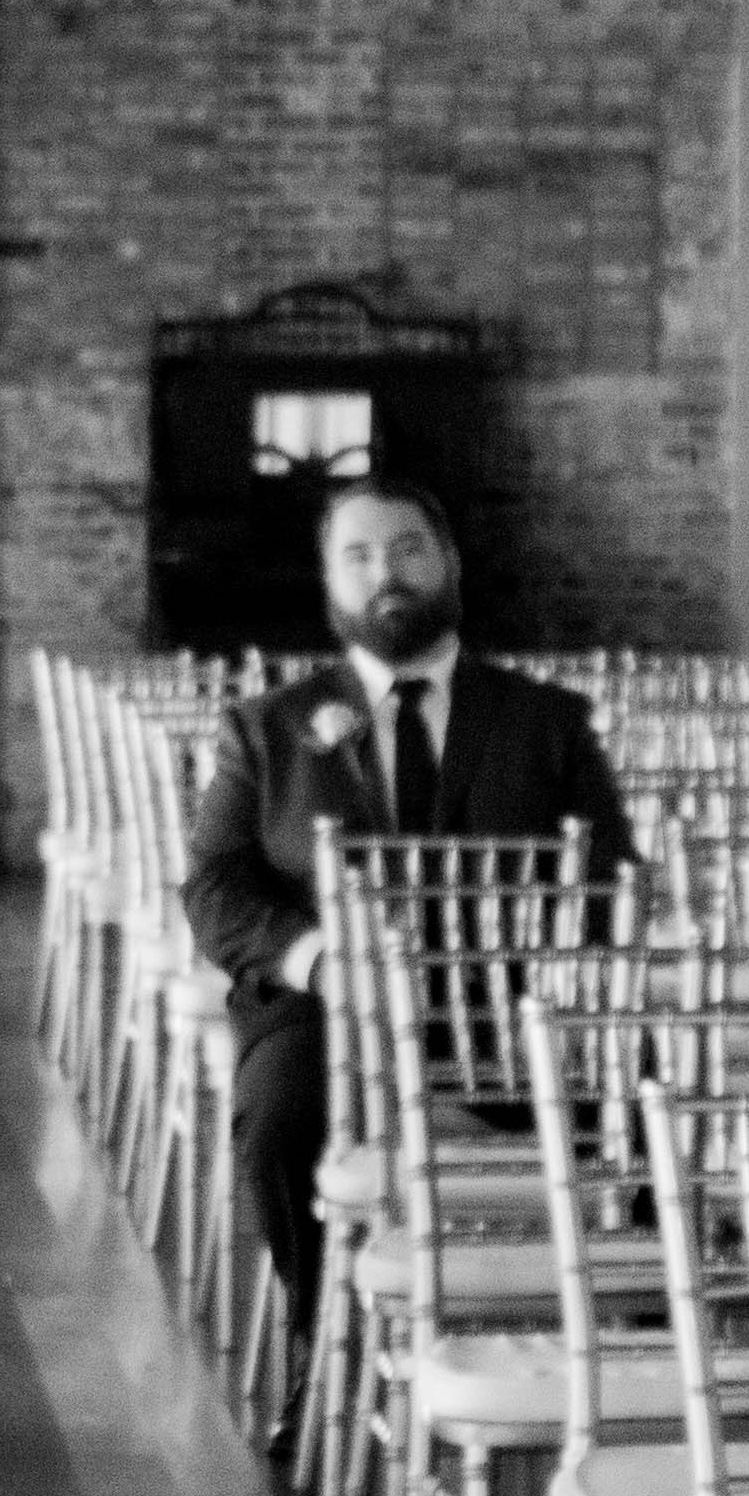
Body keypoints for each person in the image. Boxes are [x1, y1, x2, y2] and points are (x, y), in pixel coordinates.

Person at [179, 479, 635, 1324]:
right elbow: (214, 887)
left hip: (515, 1012)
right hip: (328, 1012)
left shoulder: (548, 723)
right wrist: (317, 959)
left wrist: (555, 974)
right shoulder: (267, 728)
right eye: (358, 556)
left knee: (649, 1111)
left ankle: (627, 1351)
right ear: (329, 582)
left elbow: (611, 882)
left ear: (450, 563)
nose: (385, 572)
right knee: (280, 1121)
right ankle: (324, 1339)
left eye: (407, 549)